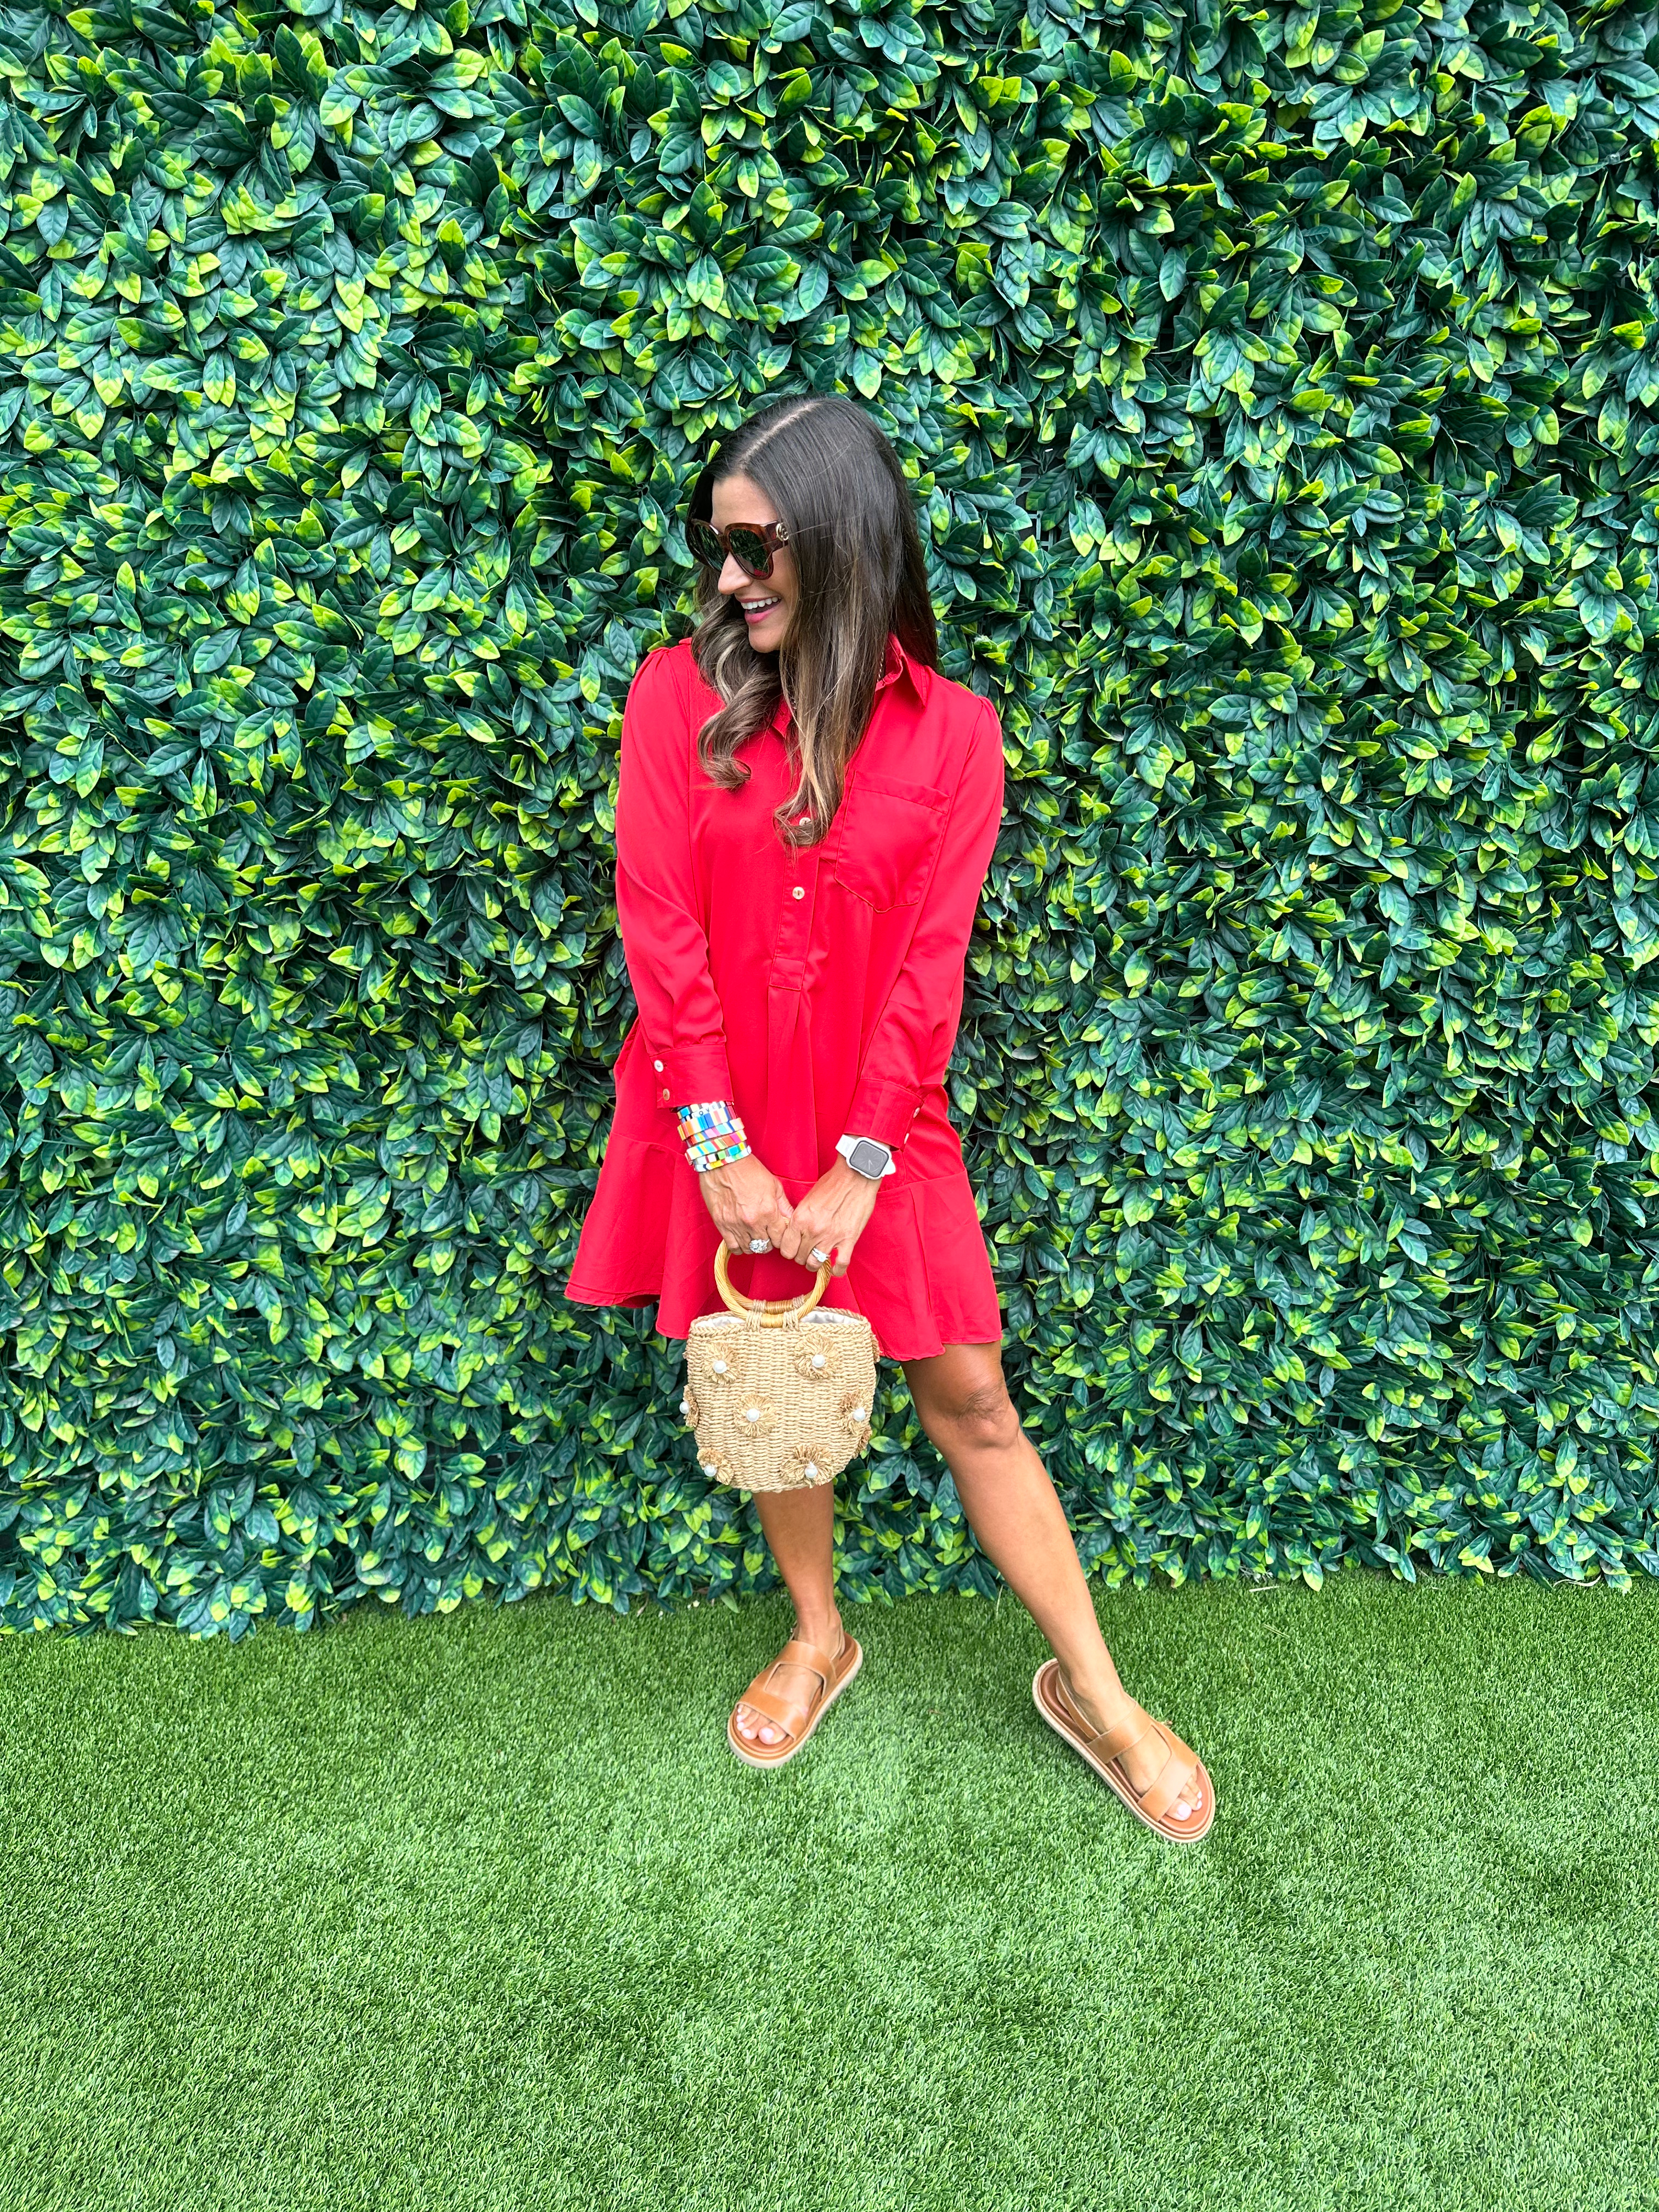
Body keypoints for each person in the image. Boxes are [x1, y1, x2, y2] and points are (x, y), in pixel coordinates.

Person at [563, 396, 1214, 1843]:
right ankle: (817, 1637)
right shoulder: (678, 698)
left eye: (755, 545)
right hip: (719, 1110)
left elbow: (933, 965)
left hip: (883, 1121)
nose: (728, 578)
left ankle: (1099, 1693)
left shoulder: (958, 736)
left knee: (974, 1400)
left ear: (846, 543)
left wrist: (864, 1156)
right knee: (780, 1391)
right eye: (714, 545)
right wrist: (718, 1145)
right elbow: (659, 926)